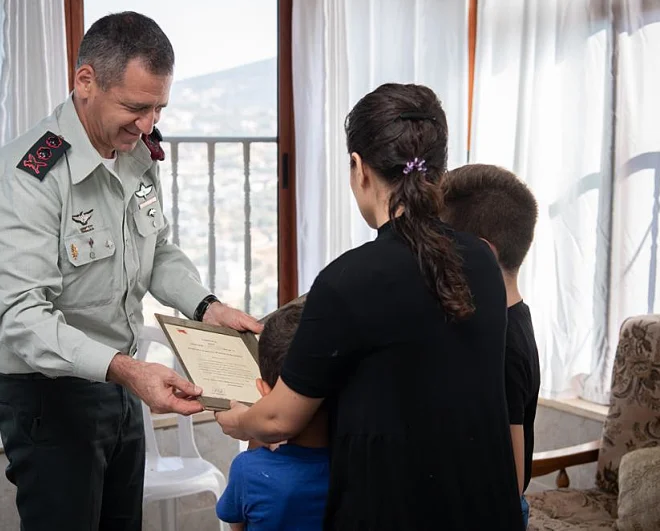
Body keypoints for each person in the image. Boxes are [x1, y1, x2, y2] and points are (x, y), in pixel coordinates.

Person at [0, 11, 261, 531]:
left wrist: (206, 306)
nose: (149, 124)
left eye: (158, 107)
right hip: (49, 395)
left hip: (122, 383)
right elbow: (23, 318)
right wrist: (129, 371)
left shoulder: (134, 154)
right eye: (135, 106)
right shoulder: (26, 178)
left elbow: (158, 249)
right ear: (85, 81)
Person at [215, 83, 523, 530]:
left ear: (359, 169)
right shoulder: (480, 259)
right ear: (438, 169)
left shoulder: (348, 281)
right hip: (485, 511)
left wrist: (241, 421)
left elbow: (280, 417)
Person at [441, 163, 541, 528]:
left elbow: (509, 481)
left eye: (443, 245)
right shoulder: (501, 323)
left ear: (481, 252)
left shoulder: (505, 346)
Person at [216, 299, 329, 531]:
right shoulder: (363, 464)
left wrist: (256, 428)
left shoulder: (248, 471)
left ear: (263, 390)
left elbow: (237, 527)